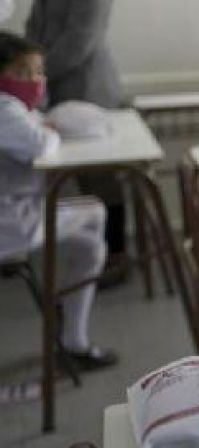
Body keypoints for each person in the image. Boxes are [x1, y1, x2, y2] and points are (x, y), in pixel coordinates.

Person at [0, 32, 117, 370]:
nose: (35, 81)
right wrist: (50, 133)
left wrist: (45, 129)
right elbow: (40, 143)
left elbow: (36, 129)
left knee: (90, 244)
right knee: (94, 212)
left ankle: (71, 329)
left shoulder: (14, 108)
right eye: (22, 72)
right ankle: (73, 336)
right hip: (11, 223)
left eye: (38, 72)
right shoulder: (5, 109)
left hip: (16, 213)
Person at [25, 0, 129, 286]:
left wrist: (33, 72)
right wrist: (25, 69)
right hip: (52, 94)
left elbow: (80, 42)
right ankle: (88, 253)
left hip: (90, 92)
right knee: (71, 179)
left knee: (100, 179)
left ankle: (115, 254)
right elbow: (32, 33)